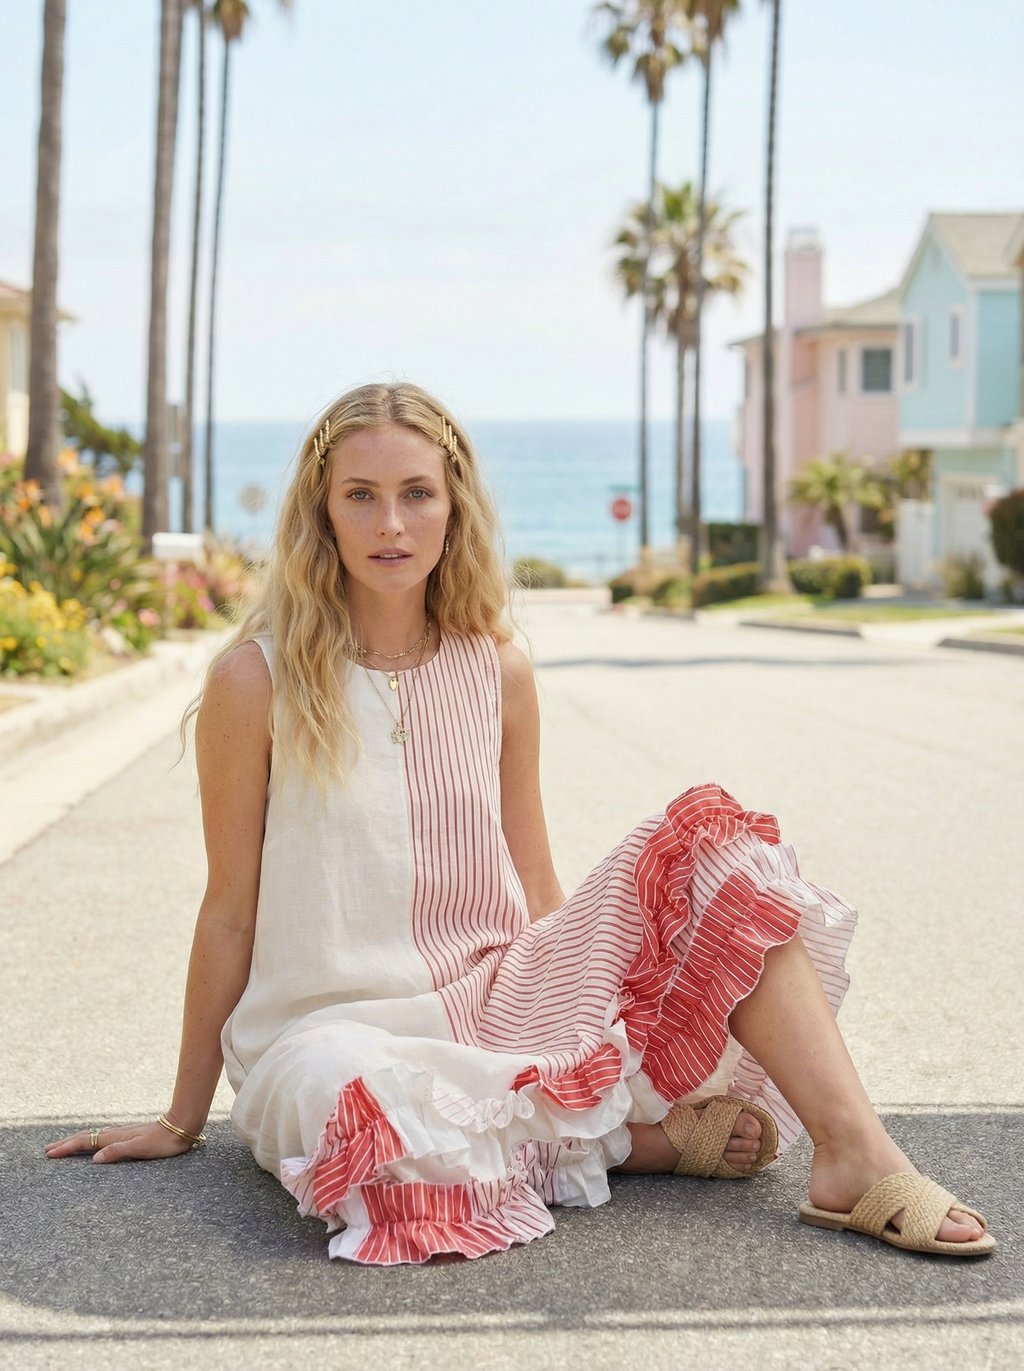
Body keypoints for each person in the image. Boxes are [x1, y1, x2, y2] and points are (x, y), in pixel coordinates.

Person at [47, 383, 994, 1264]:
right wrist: (180, 1118)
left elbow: (537, 878)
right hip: (327, 1031)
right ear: (320, 511)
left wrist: (587, 1011)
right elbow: (229, 912)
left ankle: (854, 1154)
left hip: (497, 993)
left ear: (453, 504)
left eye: (417, 492)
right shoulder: (253, 682)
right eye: (361, 495)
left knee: (713, 849)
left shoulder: (498, 666)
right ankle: (634, 1143)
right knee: (369, 1126)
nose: (390, 523)